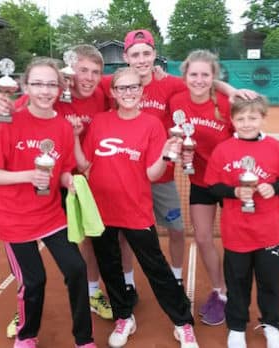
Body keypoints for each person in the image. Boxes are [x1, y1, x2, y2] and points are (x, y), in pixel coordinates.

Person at [101, 29, 258, 304]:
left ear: (154, 55)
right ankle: (127, 284)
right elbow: (80, 83)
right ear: (126, 57)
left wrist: (230, 89)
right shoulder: (114, 83)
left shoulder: (172, 84)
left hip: (162, 175)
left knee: (176, 230)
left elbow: (202, 81)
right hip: (126, 175)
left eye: (146, 53)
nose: (141, 60)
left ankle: (175, 277)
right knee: (124, 234)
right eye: (135, 54)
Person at [0, 45, 114, 337]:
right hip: (18, 207)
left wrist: (67, 179)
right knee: (32, 277)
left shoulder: (98, 93)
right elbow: (2, 119)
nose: (88, 76)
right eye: (38, 84)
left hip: (57, 194)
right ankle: (24, 317)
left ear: (60, 86)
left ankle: (88, 317)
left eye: (51, 85)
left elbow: (134, 79)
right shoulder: (20, 109)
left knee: (78, 260)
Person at [75, 67, 199, 348]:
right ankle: (124, 316)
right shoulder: (100, 122)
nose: (128, 93)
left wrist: (168, 156)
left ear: (141, 91)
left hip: (136, 211)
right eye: (122, 88)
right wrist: (72, 138)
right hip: (102, 211)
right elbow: (85, 165)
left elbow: (152, 174)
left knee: (156, 268)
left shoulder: (152, 125)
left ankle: (182, 323)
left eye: (133, 87)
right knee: (110, 266)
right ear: (114, 93)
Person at [204, 95, 279, 348]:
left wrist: (272, 188)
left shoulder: (275, 147)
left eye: (252, 118)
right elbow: (212, 185)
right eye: (240, 118)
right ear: (232, 120)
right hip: (236, 233)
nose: (246, 123)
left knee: (269, 282)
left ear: (262, 118)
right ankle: (236, 328)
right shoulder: (223, 150)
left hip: (268, 233)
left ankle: (272, 326)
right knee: (237, 283)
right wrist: (234, 192)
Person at [168, 49, 234, 325]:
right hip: (200, 181)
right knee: (204, 238)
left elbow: (245, 136)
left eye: (205, 74)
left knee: (235, 242)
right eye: (193, 74)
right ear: (184, 76)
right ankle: (220, 293)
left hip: (230, 182)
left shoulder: (227, 102)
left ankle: (234, 295)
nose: (198, 80)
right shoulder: (176, 101)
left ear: (213, 77)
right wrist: (183, 151)